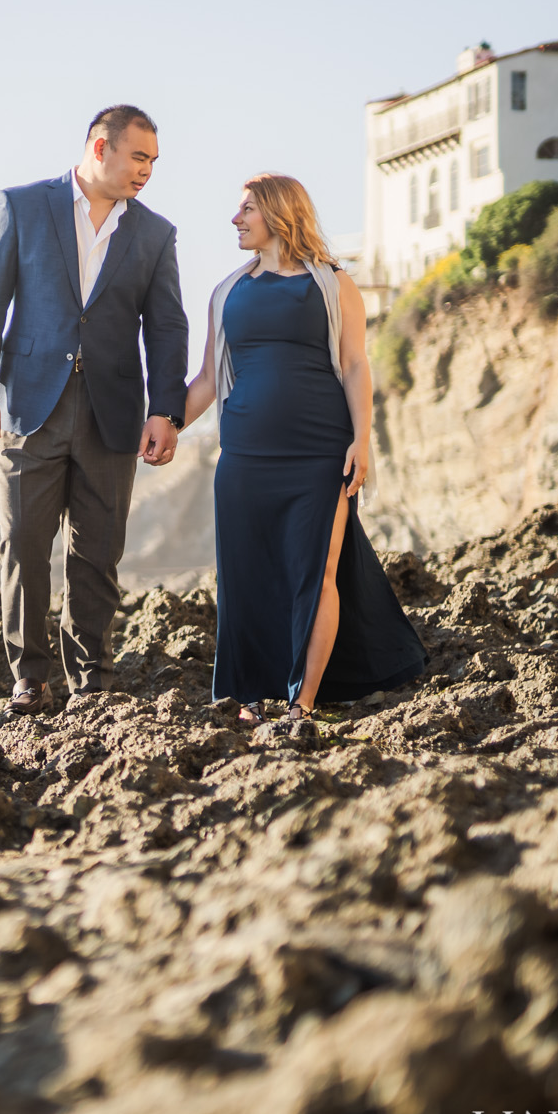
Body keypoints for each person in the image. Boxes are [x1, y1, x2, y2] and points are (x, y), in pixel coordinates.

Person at [0, 105, 189, 715]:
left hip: (112, 413)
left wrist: (167, 410)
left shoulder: (155, 233)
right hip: (27, 406)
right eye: (138, 157)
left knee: (98, 551)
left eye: (153, 161)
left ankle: (92, 677)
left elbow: (167, 328)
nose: (147, 171)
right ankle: (29, 677)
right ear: (99, 147)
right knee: (25, 544)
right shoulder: (22, 206)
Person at [180, 173, 425, 723]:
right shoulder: (228, 291)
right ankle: (245, 698)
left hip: (320, 452)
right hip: (243, 457)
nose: (236, 220)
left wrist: (363, 440)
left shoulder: (332, 283)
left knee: (315, 573)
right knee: (245, 578)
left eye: (246, 209)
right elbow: (205, 381)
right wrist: (167, 424)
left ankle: (302, 701)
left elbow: (357, 364)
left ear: (278, 212)